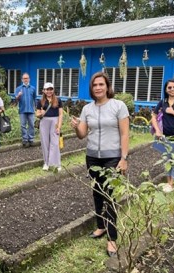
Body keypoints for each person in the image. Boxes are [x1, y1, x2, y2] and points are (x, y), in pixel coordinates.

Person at [71, 72, 129, 257]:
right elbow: (82, 134)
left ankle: (112, 239)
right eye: (95, 85)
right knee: (97, 193)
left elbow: (125, 134)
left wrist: (124, 158)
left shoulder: (118, 106)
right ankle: (100, 226)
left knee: (110, 196)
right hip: (92, 157)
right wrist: (76, 127)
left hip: (113, 157)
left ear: (107, 86)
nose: (98, 87)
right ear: (91, 88)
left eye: (101, 84)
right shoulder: (87, 109)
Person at [35, 82, 63, 171]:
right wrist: (41, 114)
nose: (49, 91)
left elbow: (61, 114)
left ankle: (56, 164)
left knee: (55, 143)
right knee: (45, 143)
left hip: (54, 121)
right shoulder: (40, 101)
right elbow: (37, 113)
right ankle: (46, 163)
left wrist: (59, 126)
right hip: (44, 122)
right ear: (44, 91)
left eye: (51, 89)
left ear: (53, 90)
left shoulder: (58, 100)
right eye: (47, 89)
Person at [15, 73, 37, 147]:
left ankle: (31, 140)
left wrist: (36, 108)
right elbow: (16, 99)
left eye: (27, 78)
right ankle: (25, 140)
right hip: (22, 110)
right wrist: (19, 95)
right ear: (22, 80)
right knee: (23, 125)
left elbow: (35, 98)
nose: (25, 80)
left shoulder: (33, 88)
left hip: (31, 110)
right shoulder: (18, 88)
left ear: (29, 79)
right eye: (24, 78)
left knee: (32, 125)